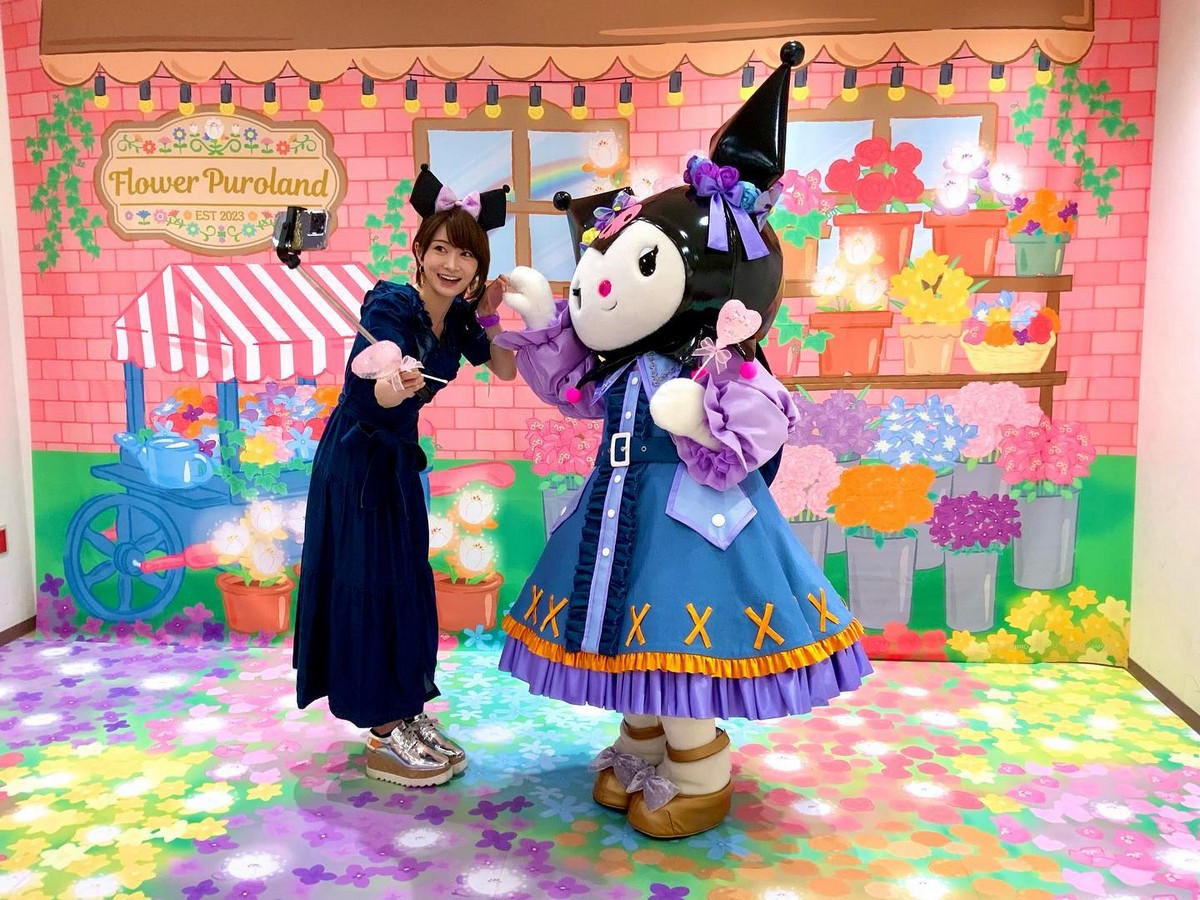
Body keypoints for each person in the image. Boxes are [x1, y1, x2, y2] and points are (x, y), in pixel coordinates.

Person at [493, 43, 872, 838]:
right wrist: (539, 318)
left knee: (675, 634)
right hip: (617, 513)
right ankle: (640, 747)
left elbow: (764, 423)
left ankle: (697, 771)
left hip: (696, 528)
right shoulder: (620, 367)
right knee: (623, 633)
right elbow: (571, 393)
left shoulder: (717, 363)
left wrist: (701, 419)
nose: (599, 289)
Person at [293, 166, 516, 787]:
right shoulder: (390, 302)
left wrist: (491, 315)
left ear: (477, 267)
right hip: (358, 460)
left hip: (398, 462)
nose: (452, 264)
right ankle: (383, 728)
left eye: (466, 255)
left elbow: (504, 369)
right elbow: (373, 390)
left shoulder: (461, 318)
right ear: (419, 251)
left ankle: (406, 710)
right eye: (441, 248)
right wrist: (394, 382)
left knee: (405, 583)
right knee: (369, 583)